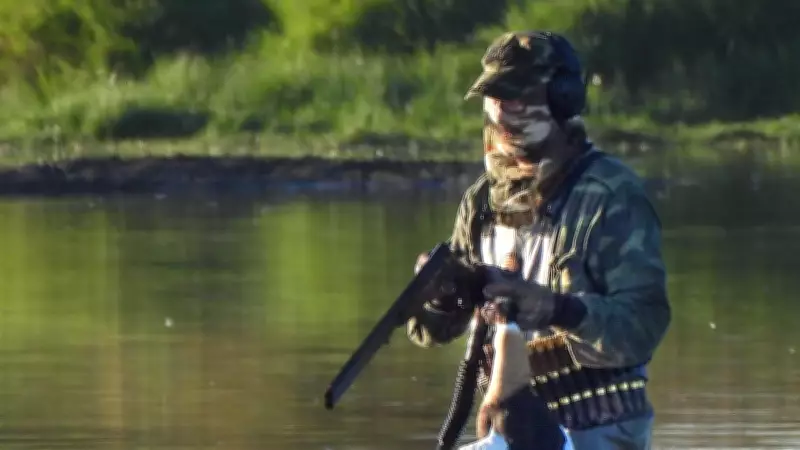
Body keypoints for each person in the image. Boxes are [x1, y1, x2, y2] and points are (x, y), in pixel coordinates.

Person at [407, 31, 671, 450]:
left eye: (518, 97)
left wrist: (557, 309)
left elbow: (642, 328)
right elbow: (430, 332)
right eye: (494, 98)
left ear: (563, 98)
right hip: (509, 428)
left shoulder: (609, 196)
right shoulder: (481, 201)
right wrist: (442, 296)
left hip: (596, 432)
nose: (503, 112)